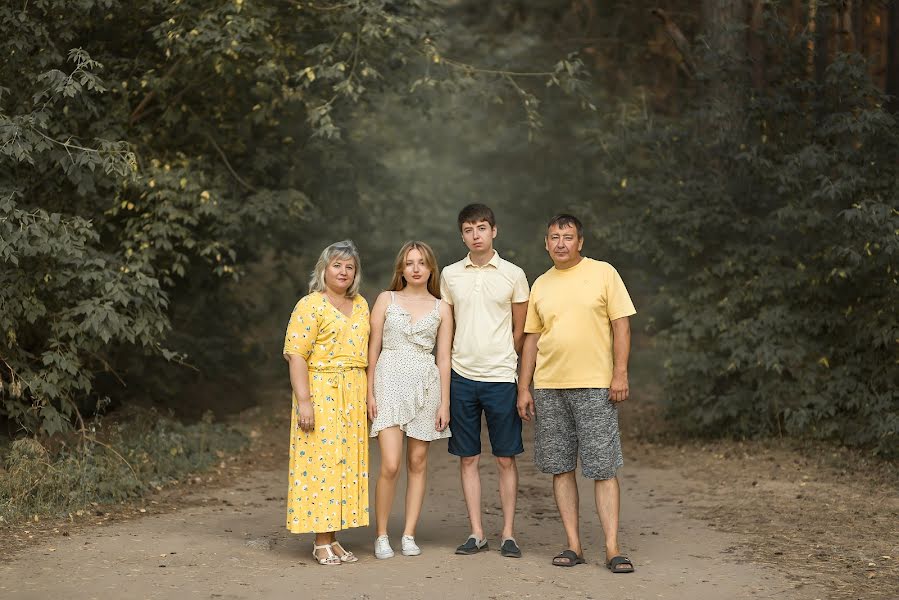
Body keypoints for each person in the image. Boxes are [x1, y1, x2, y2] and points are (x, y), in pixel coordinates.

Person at [517, 214, 637, 574]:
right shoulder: (541, 284)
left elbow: (621, 324)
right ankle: (573, 544)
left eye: (568, 237)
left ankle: (613, 548)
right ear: (546, 243)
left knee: (602, 467)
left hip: (596, 385)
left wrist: (619, 373)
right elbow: (532, 339)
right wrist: (524, 386)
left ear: (580, 242)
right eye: (554, 237)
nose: (561, 243)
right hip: (550, 387)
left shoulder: (603, 273)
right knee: (560, 466)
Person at [439, 203, 530, 558]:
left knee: (506, 458)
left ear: (494, 230)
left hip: (501, 378)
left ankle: (508, 533)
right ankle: (477, 532)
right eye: (468, 229)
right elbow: (447, 329)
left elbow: (521, 328)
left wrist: (506, 356)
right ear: (461, 235)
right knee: (468, 458)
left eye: (481, 228)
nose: (475, 235)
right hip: (462, 377)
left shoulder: (513, 274)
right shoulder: (450, 275)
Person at [282, 240, 370, 566]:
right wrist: (304, 401)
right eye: (337, 265)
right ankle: (320, 541)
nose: (343, 271)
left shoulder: (361, 304)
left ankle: (333, 538)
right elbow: (296, 356)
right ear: (324, 269)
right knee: (322, 466)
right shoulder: (310, 305)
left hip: (353, 392)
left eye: (350, 266)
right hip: (321, 390)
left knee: (344, 464)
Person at [367, 241, 454, 559]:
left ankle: (408, 534)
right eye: (409, 262)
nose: (415, 268)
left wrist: (445, 402)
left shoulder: (442, 307)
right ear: (400, 268)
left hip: (426, 384)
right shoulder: (385, 300)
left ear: (431, 268)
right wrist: (369, 391)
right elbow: (373, 347)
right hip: (389, 379)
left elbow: (443, 358)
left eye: (421, 262)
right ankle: (381, 535)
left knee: (417, 462)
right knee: (390, 464)